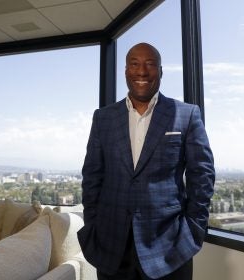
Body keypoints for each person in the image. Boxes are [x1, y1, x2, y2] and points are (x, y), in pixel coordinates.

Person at [78, 42, 215, 280]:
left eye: (150, 64)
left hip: (170, 249)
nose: (142, 71)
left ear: (160, 72)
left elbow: (202, 176)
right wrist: (93, 224)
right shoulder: (103, 118)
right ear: (125, 71)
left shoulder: (186, 114)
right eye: (134, 64)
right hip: (111, 246)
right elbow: (92, 177)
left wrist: (194, 230)